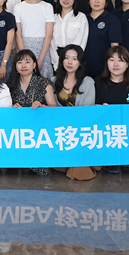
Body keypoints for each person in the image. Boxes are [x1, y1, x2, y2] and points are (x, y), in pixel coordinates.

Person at [94, 46, 129, 174]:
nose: (115, 64)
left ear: (128, 64)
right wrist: (102, 110)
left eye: (120, 60)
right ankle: (112, 159)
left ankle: (128, 156)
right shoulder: (98, 81)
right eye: (111, 60)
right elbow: (95, 108)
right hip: (108, 127)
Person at [7, 49, 56, 176]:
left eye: (27, 62)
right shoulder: (10, 85)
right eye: (19, 62)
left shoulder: (44, 83)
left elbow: (54, 108)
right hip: (17, 131)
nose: (23, 65)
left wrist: (43, 106)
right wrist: (11, 107)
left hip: (39, 131)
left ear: (34, 65)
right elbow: (4, 108)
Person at [53, 44, 98, 180]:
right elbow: (52, 111)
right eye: (66, 58)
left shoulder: (88, 82)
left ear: (80, 62)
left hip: (80, 129)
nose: (70, 62)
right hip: (60, 130)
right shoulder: (53, 81)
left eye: (74, 59)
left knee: (80, 172)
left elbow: (87, 112)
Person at [14, 0, 55, 78]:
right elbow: (18, 35)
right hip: (24, 47)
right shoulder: (18, 7)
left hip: (43, 49)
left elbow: (49, 35)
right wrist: (25, 59)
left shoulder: (47, 7)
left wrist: (40, 60)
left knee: (43, 82)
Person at [83, 0, 122, 78]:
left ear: (106, 2)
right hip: (84, 67)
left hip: (104, 67)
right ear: (89, 1)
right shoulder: (84, 19)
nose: (97, 1)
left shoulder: (112, 19)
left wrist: (113, 64)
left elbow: (114, 45)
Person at [51, 0, 89, 74]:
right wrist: (57, 62)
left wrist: (73, 59)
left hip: (75, 58)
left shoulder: (81, 17)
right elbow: (50, 42)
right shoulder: (53, 18)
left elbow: (82, 40)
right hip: (56, 57)